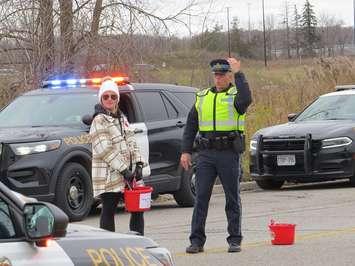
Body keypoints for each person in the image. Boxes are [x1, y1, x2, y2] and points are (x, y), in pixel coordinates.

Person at [180, 58, 252, 253]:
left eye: (223, 74)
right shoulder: (202, 97)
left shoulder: (236, 95)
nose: (218, 78)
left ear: (229, 76)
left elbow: (246, 100)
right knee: (201, 198)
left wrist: (239, 74)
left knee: (232, 198)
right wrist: (186, 151)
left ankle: (234, 239)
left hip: (228, 153)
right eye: (216, 75)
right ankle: (196, 241)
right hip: (205, 154)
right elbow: (191, 126)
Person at [90, 78, 146, 235]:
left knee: (137, 209)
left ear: (117, 99)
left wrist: (139, 164)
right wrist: (123, 170)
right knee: (109, 209)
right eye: (105, 96)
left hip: (129, 174)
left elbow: (132, 142)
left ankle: (138, 243)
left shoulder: (122, 118)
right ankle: (108, 247)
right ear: (101, 99)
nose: (109, 99)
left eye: (113, 96)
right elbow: (104, 150)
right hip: (109, 175)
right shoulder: (98, 120)